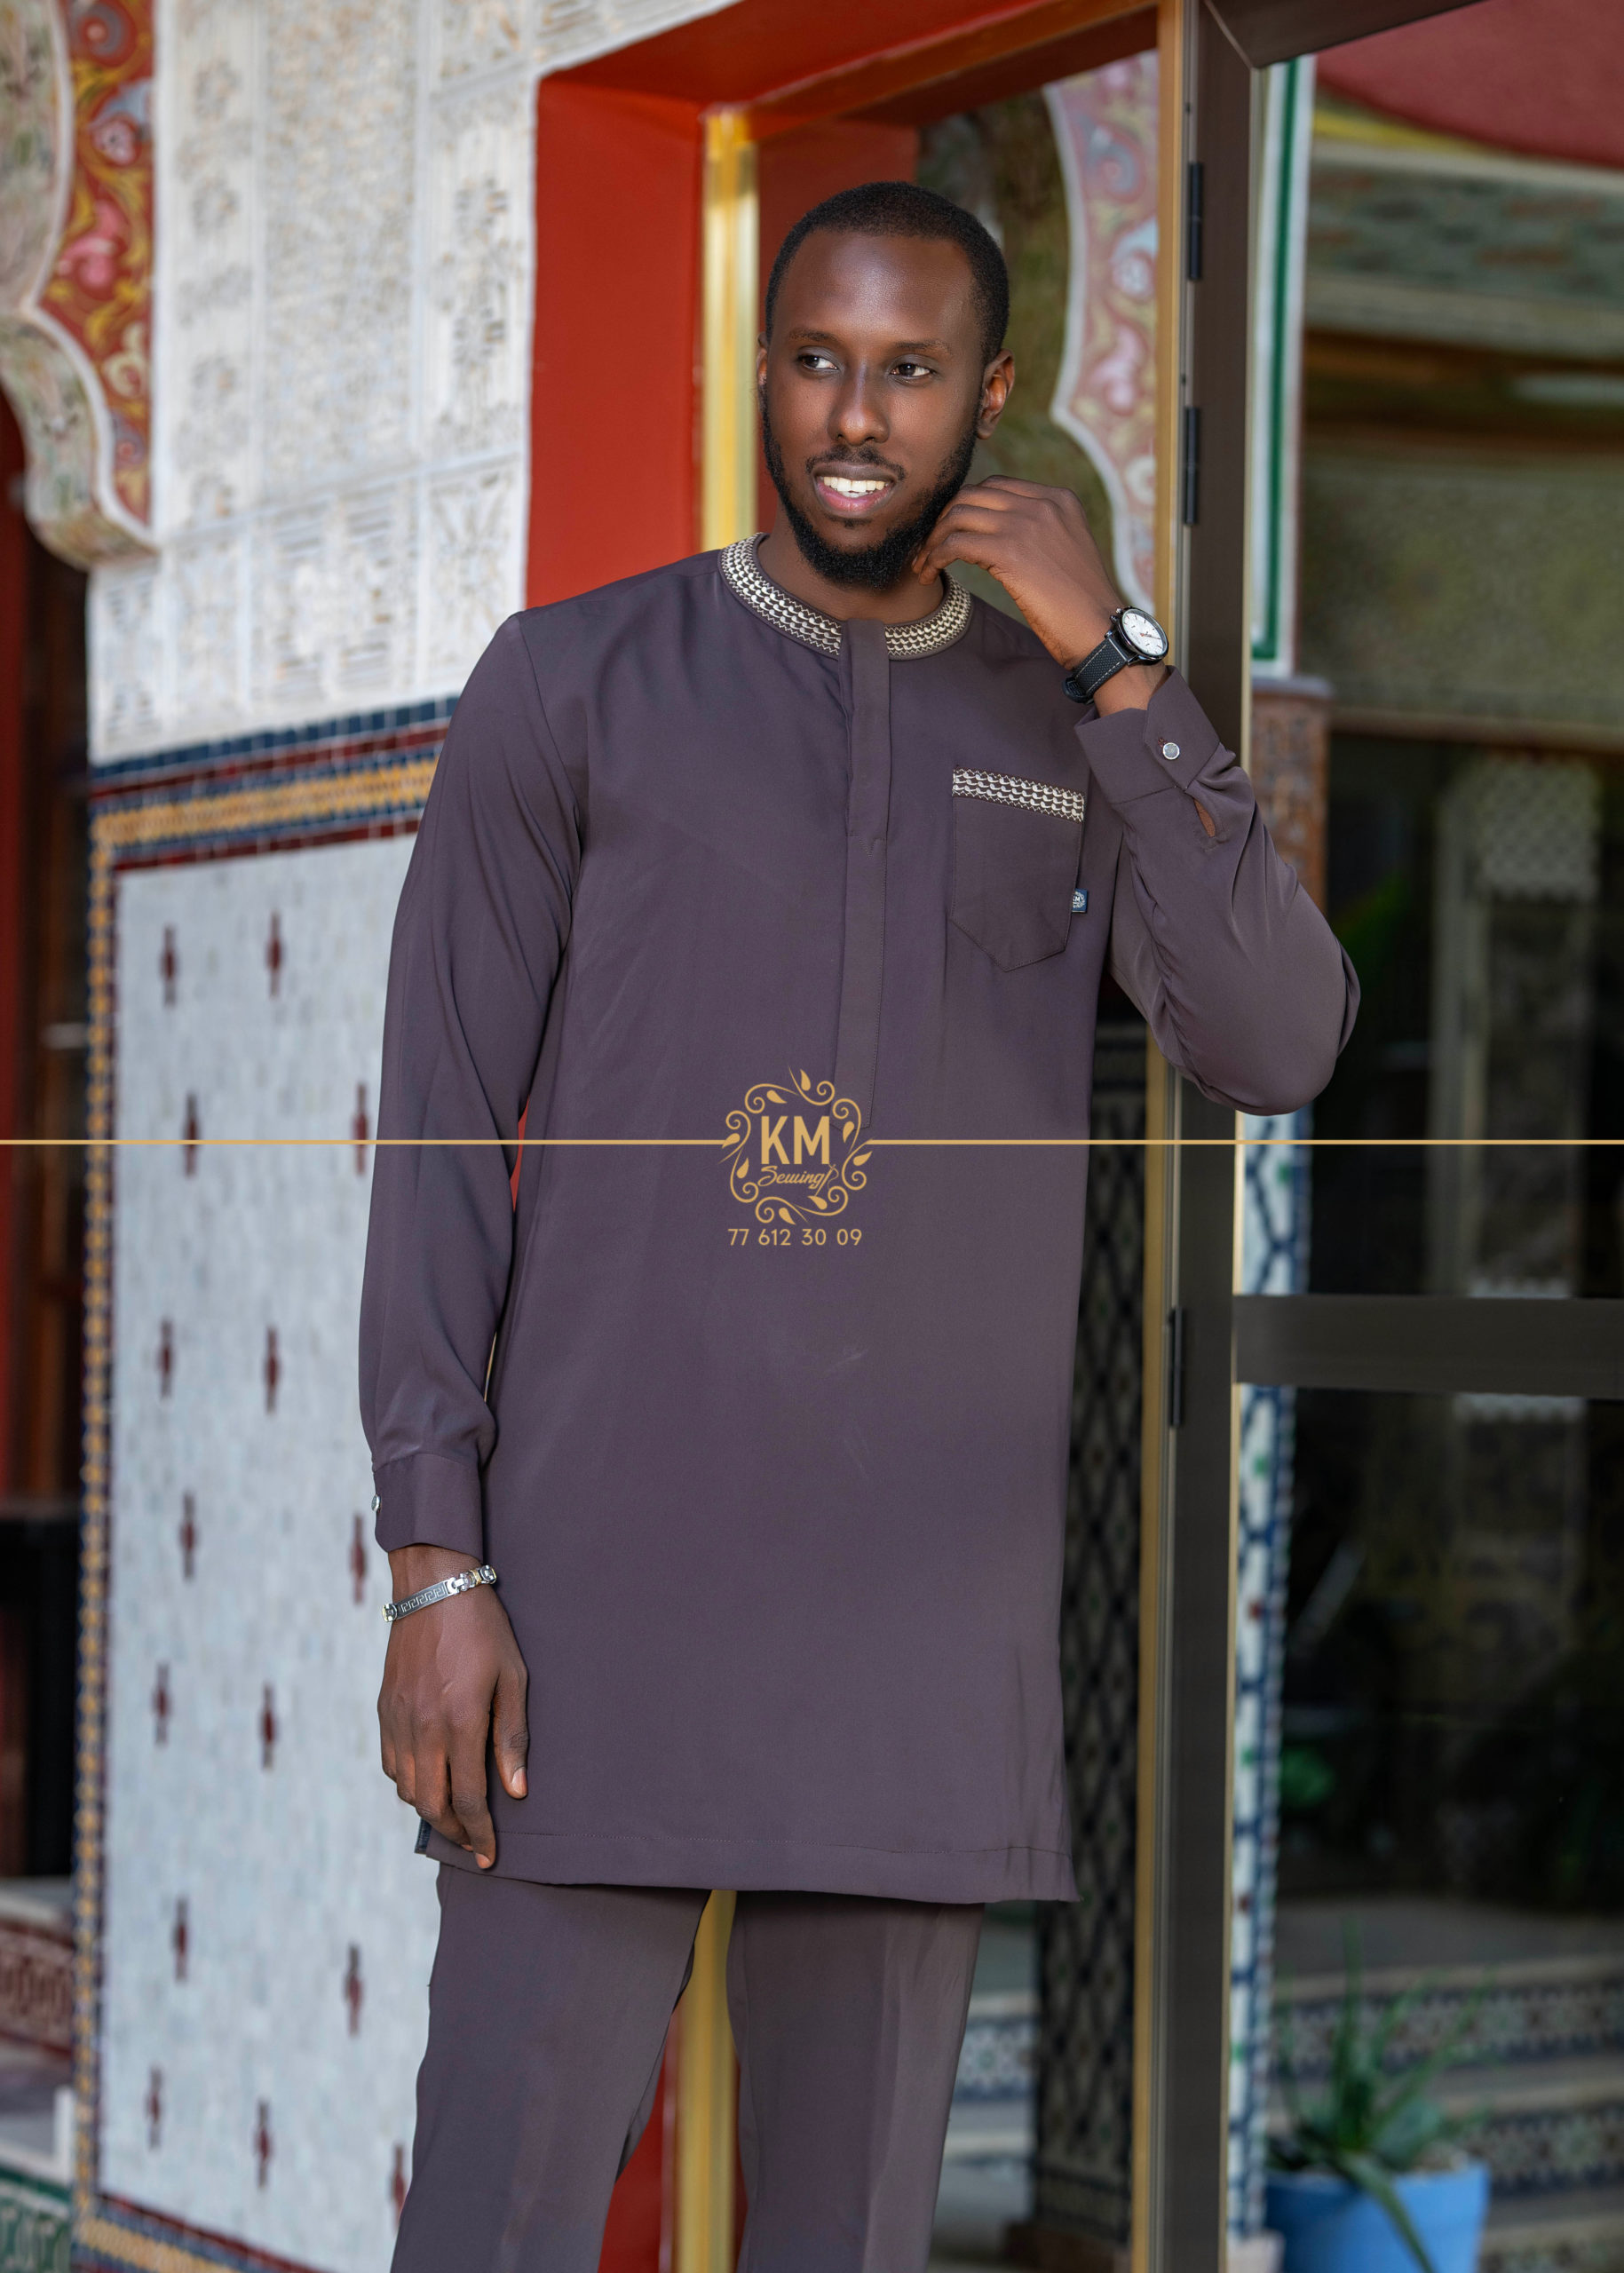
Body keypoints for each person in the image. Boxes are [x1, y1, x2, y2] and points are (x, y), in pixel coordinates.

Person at [359, 180, 1357, 2271]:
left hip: (920, 1637)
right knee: (492, 2223)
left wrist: (1120, 657)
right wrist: (437, 1558)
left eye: (910, 370)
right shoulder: (574, 683)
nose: (853, 414)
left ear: (995, 395)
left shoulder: (1063, 719)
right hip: (589, 1619)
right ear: (765, 362)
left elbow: (1277, 1038)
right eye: (817, 357)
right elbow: (440, 1130)